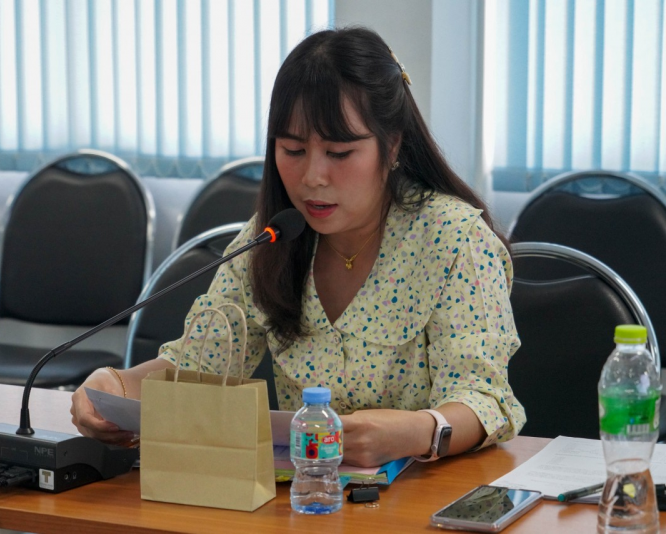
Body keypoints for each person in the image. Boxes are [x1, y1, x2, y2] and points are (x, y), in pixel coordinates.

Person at [71, 27, 526, 468]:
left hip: (425, 494)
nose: (312, 177)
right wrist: (115, 386)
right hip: (307, 495)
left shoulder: (454, 239)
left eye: (339, 153)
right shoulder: (273, 237)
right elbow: (198, 367)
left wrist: (414, 431)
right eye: (292, 150)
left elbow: (483, 399)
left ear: (392, 147)